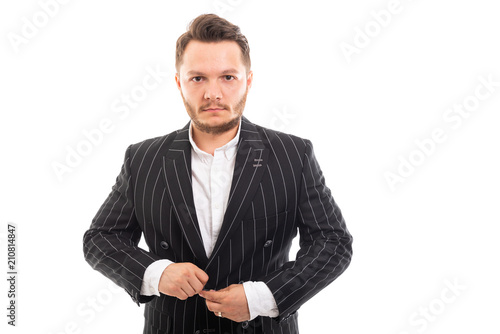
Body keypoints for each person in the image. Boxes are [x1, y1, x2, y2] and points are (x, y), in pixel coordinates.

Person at [83, 13, 353, 334]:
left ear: (248, 81)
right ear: (179, 82)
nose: (213, 93)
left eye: (227, 77)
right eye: (198, 78)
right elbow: (100, 239)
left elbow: (333, 242)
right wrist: (155, 273)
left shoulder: (293, 154)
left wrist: (261, 297)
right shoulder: (142, 158)